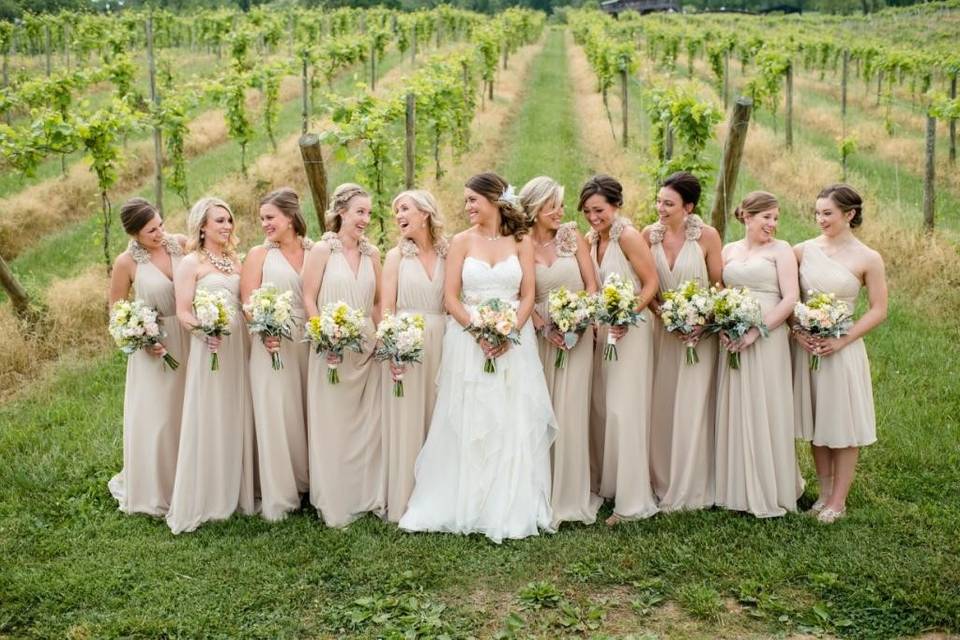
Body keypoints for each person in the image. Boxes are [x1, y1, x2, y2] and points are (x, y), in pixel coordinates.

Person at [399, 172, 557, 543]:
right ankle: (466, 500)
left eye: (473, 199)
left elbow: (528, 295)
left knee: (510, 416)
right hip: (469, 342)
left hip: (514, 342)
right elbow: (450, 298)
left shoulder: (520, 241)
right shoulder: (460, 242)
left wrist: (508, 333)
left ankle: (510, 503)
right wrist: (480, 332)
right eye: (466, 199)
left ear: (495, 199)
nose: (467, 206)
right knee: (469, 418)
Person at [792, 184, 887, 524]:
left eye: (828, 213)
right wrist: (797, 329)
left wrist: (842, 339)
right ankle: (823, 492)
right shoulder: (802, 250)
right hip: (810, 347)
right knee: (819, 422)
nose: (821, 219)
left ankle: (839, 500)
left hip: (842, 347)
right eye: (817, 212)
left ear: (850, 214)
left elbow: (879, 310)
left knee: (841, 423)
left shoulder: (868, 258)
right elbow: (788, 295)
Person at [167, 197, 257, 534]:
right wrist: (204, 332)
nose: (227, 226)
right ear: (202, 226)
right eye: (219, 221)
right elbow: (183, 311)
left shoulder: (236, 260)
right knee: (212, 411)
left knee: (238, 408)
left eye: (229, 220)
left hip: (241, 344)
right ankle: (209, 492)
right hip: (212, 347)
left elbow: (244, 301)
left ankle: (240, 488)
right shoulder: (191, 263)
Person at [715, 191, 803, 518]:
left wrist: (756, 331)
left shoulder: (781, 251)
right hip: (733, 335)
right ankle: (734, 486)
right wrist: (724, 322)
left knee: (767, 404)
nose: (773, 224)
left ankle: (771, 487)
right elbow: (720, 290)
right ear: (747, 216)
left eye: (776, 218)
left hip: (768, 338)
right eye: (767, 217)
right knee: (737, 403)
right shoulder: (728, 250)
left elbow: (790, 298)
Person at [302, 183, 384, 527]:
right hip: (330, 347)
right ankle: (334, 497)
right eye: (359, 212)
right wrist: (324, 334)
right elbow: (307, 297)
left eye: (368, 212)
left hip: (365, 346)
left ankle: (364, 493)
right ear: (341, 213)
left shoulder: (373, 254)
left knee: (366, 423)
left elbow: (379, 301)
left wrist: (383, 339)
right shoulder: (322, 250)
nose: (365, 219)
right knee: (332, 422)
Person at [522, 176, 601, 528]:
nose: (559, 212)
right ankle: (538, 489)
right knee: (540, 410)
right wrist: (542, 325)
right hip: (539, 336)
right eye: (551, 206)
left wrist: (578, 319)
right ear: (535, 209)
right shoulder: (519, 242)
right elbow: (520, 293)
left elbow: (591, 284)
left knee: (571, 409)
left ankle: (569, 493)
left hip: (577, 335)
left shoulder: (573, 237)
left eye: (560, 205)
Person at [581, 175, 660, 526]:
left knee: (623, 411)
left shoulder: (627, 236)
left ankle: (632, 501)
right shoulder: (589, 238)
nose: (593, 217)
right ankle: (607, 485)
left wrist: (628, 315)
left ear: (616, 205)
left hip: (631, 332)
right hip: (602, 333)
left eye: (599, 210)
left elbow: (651, 283)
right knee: (601, 408)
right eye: (586, 211)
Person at [642, 171, 723, 512]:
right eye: (659, 201)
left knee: (693, 405)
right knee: (662, 403)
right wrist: (665, 315)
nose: (661, 208)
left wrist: (700, 320)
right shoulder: (649, 235)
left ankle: (694, 481)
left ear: (688, 207)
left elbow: (719, 284)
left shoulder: (707, 237)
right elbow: (647, 285)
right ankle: (661, 479)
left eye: (669, 204)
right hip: (662, 332)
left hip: (698, 336)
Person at [107, 198, 189, 517]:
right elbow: (116, 309)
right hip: (155, 346)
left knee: (191, 409)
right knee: (162, 416)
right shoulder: (126, 263)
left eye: (161, 225)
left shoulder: (181, 245)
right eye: (151, 230)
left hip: (190, 336)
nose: (160, 233)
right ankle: (162, 486)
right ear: (134, 234)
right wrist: (141, 335)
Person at [239, 187, 312, 521]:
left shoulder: (315, 251)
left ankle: (310, 483)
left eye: (269, 218)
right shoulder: (258, 255)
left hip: (310, 340)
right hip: (273, 342)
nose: (265, 224)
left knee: (307, 410)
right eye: (262, 219)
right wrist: (267, 329)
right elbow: (248, 303)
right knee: (277, 412)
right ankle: (281, 493)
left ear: (290, 216)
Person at [379, 190, 447, 522]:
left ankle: (439, 495)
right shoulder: (395, 258)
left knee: (439, 414)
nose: (398, 216)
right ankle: (405, 497)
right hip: (408, 341)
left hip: (445, 342)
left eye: (404, 208)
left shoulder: (450, 254)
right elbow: (386, 308)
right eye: (395, 211)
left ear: (425, 213)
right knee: (407, 417)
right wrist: (393, 347)